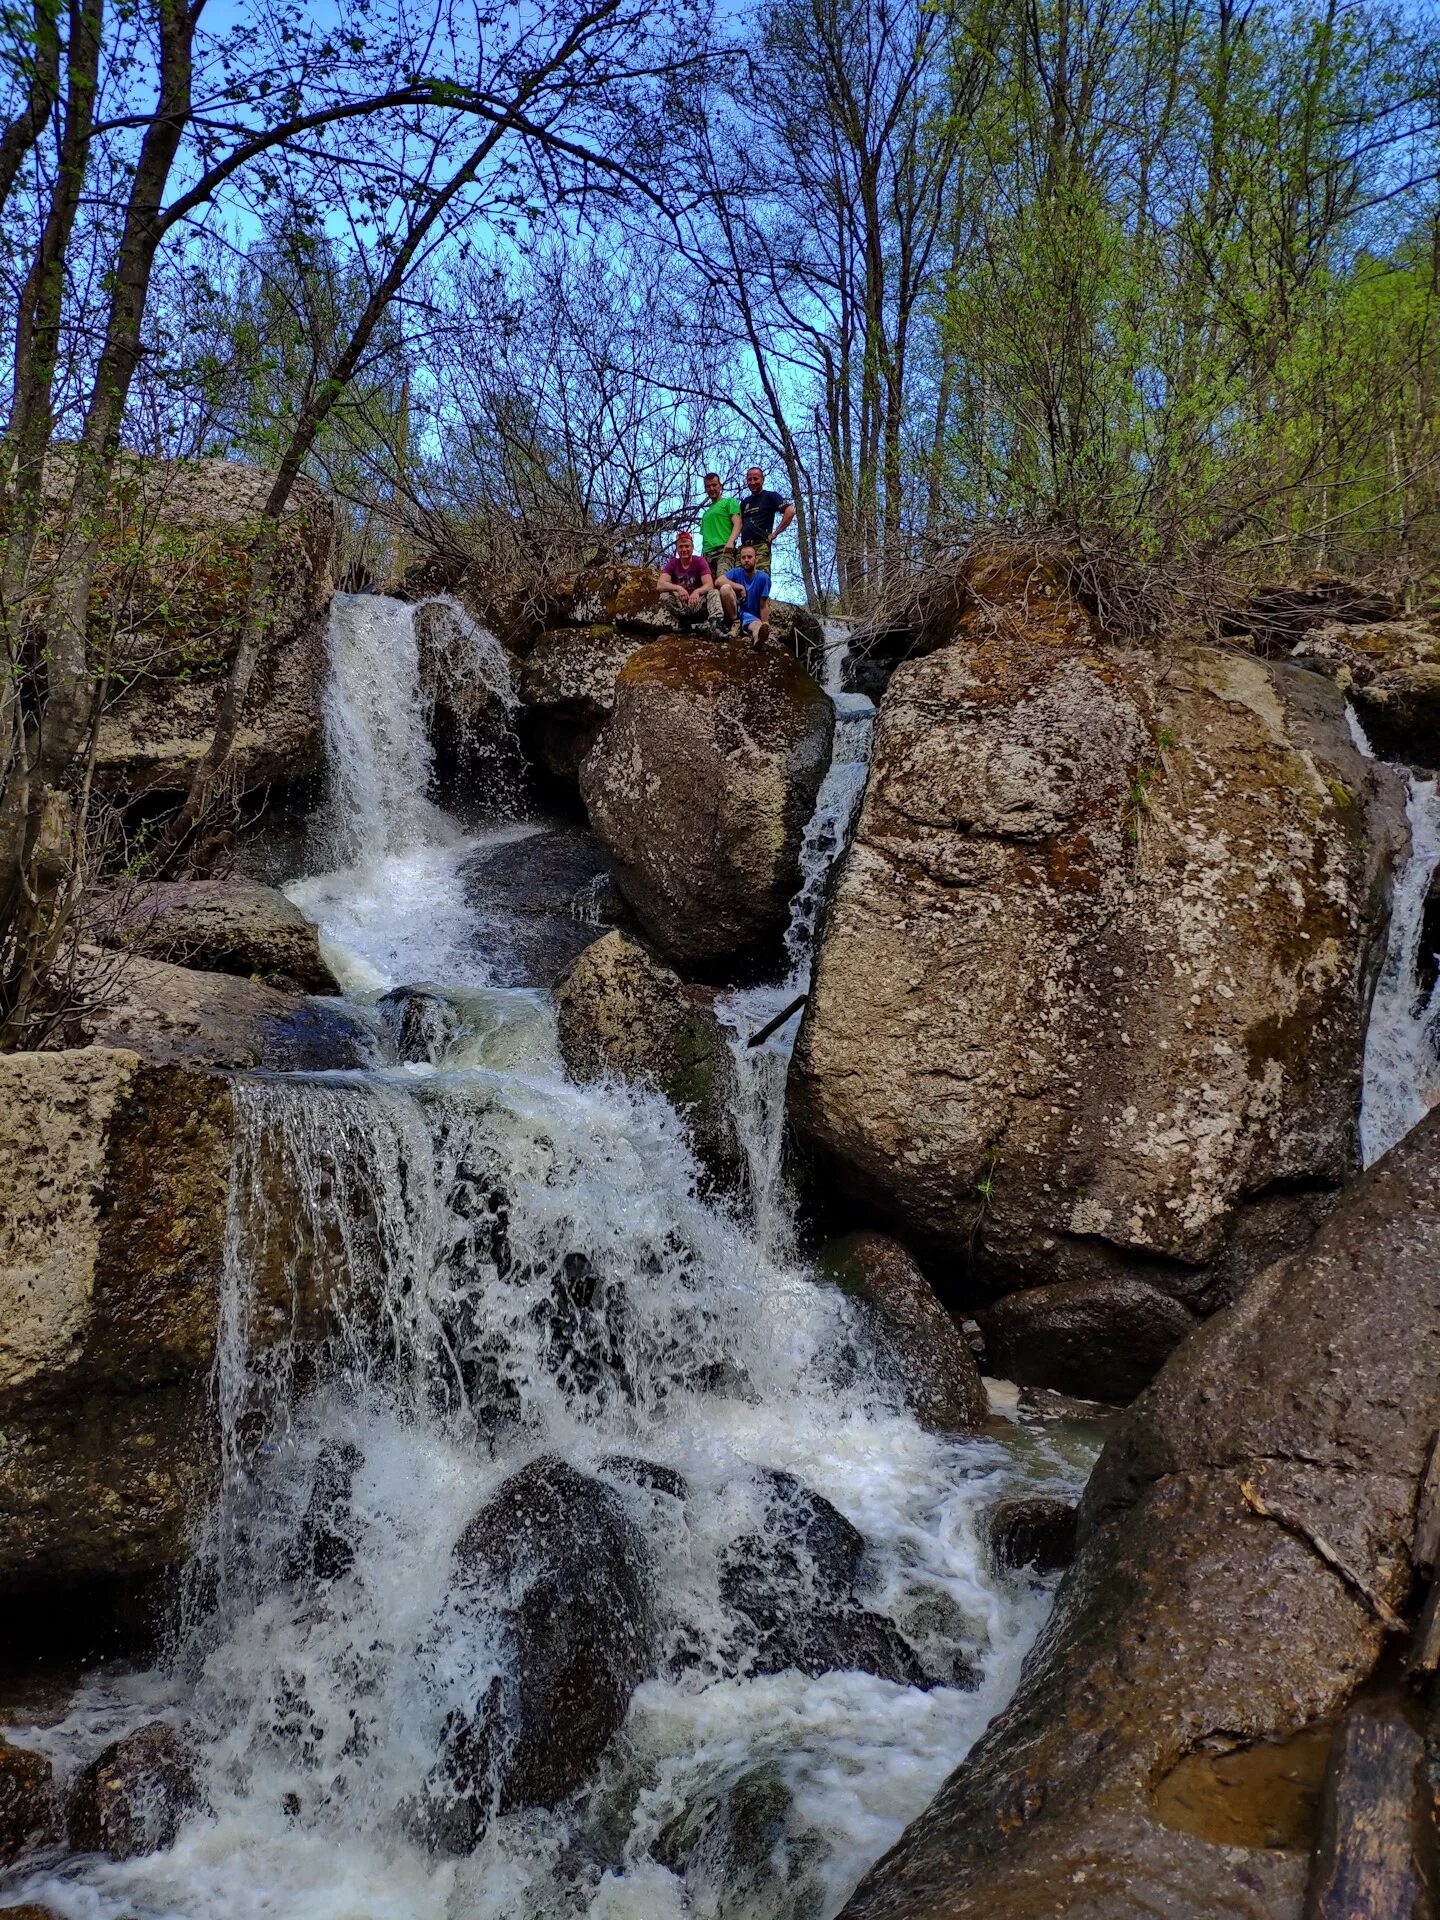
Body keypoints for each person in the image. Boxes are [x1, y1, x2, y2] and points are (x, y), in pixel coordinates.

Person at [657, 531, 724, 631]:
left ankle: (716, 625)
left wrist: (697, 592)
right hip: (682, 604)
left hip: (698, 602)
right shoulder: (673, 563)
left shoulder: (700, 561)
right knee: (664, 596)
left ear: (692, 547)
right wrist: (678, 588)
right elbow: (660, 585)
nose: (684, 549)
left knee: (714, 593)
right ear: (677, 548)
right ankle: (684, 622)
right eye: (681, 546)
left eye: (687, 546)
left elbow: (709, 585)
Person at [737, 467, 794, 572]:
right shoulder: (745, 502)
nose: (752, 482)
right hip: (744, 548)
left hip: (760, 546)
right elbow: (738, 523)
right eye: (749, 479)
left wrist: (775, 533)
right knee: (738, 581)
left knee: (760, 578)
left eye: (756, 479)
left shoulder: (770, 496)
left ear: (763, 479)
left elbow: (790, 511)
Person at [724, 543, 771, 647]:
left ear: (756, 559)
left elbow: (763, 605)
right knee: (725, 588)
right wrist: (739, 587)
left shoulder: (763, 579)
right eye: (743, 557)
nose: (746, 560)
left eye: (749, 557)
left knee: (756, 625)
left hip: (751, 616)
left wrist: (765, 623)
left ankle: (758, 638)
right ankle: (735, 625)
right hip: (735, 612)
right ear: (740, 560)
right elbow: (718, 581)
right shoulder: (736, 572)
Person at [698, 472, 741, 581]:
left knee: (722, 582)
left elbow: (738, 522)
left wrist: (731, 541)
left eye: (714, 485)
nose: (711, 488)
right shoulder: (705, 514)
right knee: (708, 588)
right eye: (708, 486)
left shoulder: (729, 502)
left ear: (720, 486)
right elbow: (705, 538)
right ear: (705, 489)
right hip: (707, 555)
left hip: (724, 551)